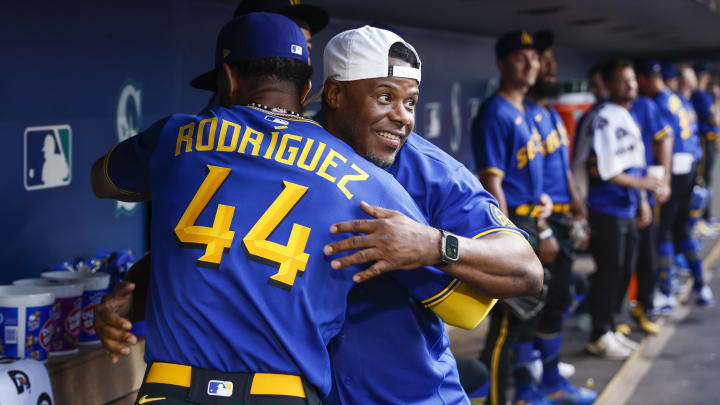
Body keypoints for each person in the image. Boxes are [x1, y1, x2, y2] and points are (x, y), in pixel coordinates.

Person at [95, 25, 544, 405]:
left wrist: (435, 244)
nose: (401, 117)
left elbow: (524, 272)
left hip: (408, 394)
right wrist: (135, 291)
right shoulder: (273, 150)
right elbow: (225, 236)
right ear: (330, 93)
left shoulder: (429, 171)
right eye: (385, 97)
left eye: (410, 101)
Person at [472, 30, 556, 405]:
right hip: (512, 226)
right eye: (521, 57)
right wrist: (507, 242)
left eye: (534, 58)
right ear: (502, 64)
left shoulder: (527, 111)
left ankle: (521, 394)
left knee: (524, 321)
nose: (530, 64)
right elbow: (492, 183)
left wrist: (545, 212)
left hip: (531, 222)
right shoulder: (497, 111)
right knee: (505, 326)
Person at [524, 30, 596, 405]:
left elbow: (564, 169)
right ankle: (527, 381)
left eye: (551, 62)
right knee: (529, 308)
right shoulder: (519, 114)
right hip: (537, 223)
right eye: (542, 63)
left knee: (556, 301)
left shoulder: (550, 114)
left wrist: (579, 204)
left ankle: (548, 375)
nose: (549, 70)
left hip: (562, 220)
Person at [584, 59, 663, 360]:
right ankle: (599, 333)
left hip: (628, 206)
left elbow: (633, 164)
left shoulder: (627, 115)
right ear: (608, 84)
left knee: (624, 271)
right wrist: (643, 186)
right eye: (622, 80)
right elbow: (605, 172)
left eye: (632, 79)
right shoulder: (605, 117)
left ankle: (612, 327)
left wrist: (641, 198)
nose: (630, 84)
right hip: (607, 208)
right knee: (609, 272)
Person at [653, 63, 714, 308]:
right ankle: (701, 285)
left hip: (676, 169)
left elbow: (665, 137)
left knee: (665, 231)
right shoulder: (683, 101)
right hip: (690, 167)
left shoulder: (665, 100)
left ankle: (665, 292)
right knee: (682, 231)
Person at [631, 59, 674, 334]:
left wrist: (664, 178)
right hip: (618, 196)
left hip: (642, 189)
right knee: (622, 262)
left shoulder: (643, 105)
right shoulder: (607, 111)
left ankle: (646, 303)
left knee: (647, 251)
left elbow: (665, 138)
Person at [691, 63, 719, 224]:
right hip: (704, 139)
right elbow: (715, 120)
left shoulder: (705, 95)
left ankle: (704, 217)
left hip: (709, 140)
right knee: (702, 180)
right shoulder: (700, 95)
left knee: (707, 179)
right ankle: (700, 219)